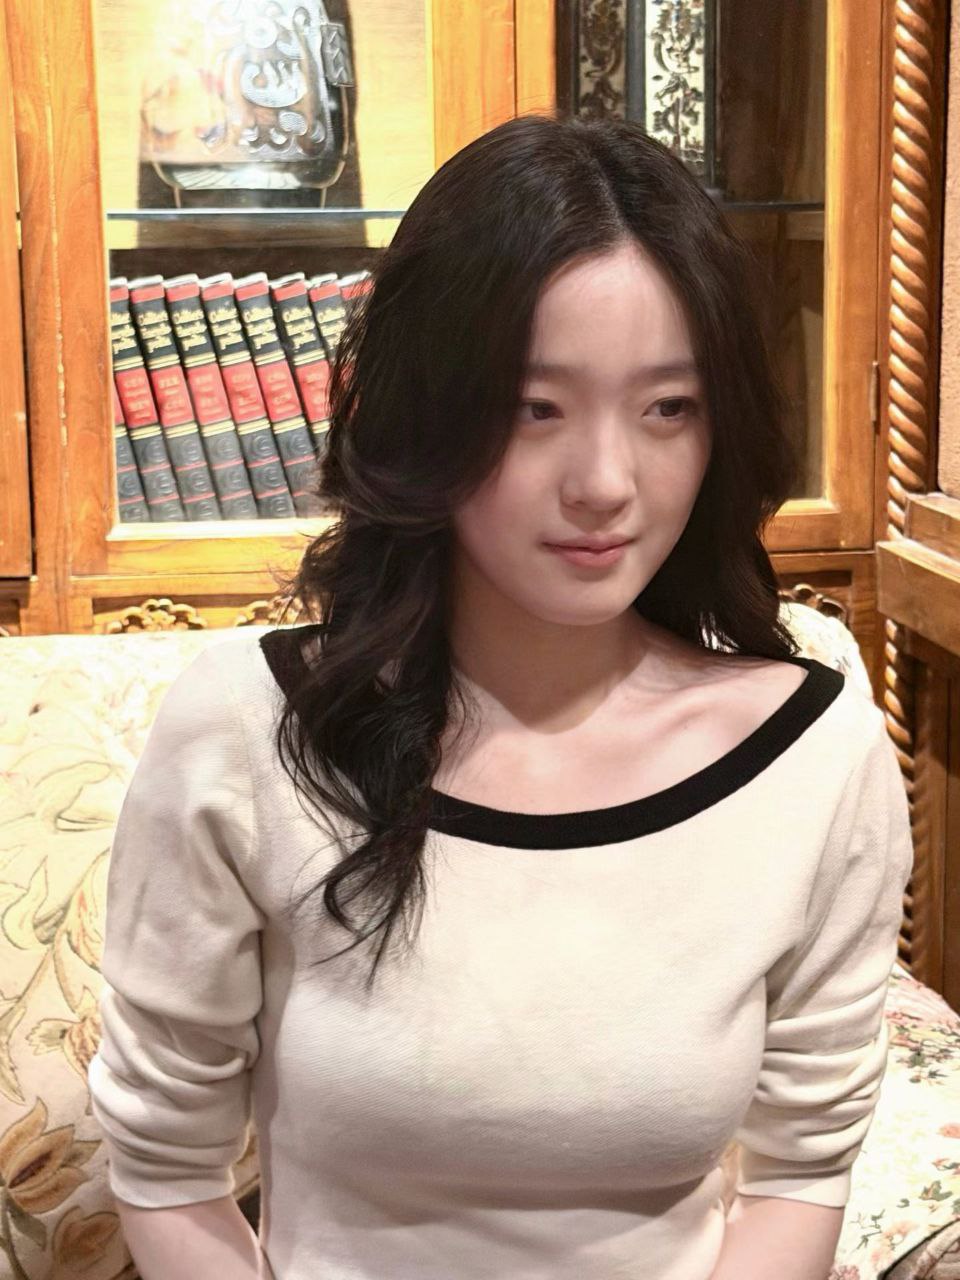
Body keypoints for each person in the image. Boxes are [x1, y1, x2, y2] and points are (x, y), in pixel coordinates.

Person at [87, 112, 914, 1280]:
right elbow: (166, 1164)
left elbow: (801, 1166)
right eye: (536, 407)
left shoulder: (812, 755)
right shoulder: (251, 729)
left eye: (668, 407)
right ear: (426, 409)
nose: (606, 483)